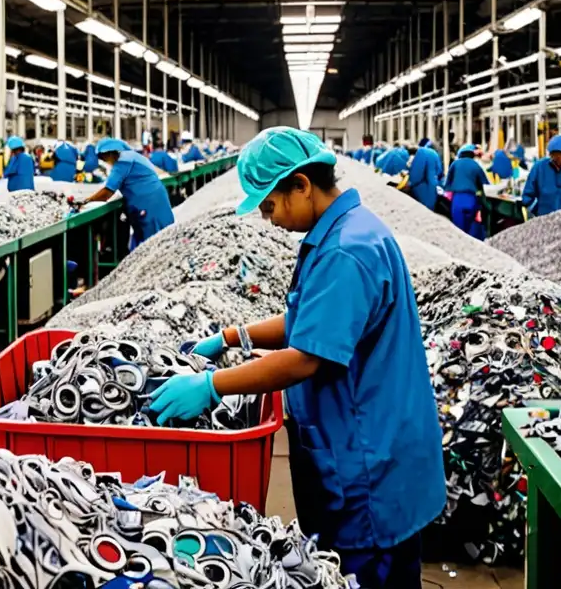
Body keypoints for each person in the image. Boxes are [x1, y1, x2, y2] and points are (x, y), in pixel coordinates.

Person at [148, 127, 444, 588]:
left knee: (365, 577)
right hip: (367, 441)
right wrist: (232, 335)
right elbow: (312, 319)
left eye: (269, 205)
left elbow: (306, 357)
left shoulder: (347, 251)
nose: (268, 219)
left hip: (368, 465)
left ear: (302, 186)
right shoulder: (344, 233)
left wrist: (211, 387)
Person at [83, 137, 175, 249]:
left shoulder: (123, 162)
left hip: (147, 203)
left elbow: (107, 193)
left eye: (103, 157)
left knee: (152, 242)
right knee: (160, 238)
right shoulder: (132, 156)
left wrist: (87, 200)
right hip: (156, 199)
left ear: (111, 153)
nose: (104, 160)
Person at [445, 144, 489, 238]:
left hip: (457, 199)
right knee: (470, 227)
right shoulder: (475, 165)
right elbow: (485, 184)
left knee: (458, 229)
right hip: (471, 199)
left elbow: (447, 183)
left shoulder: (455, 164)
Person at [406, 144, 441, 210]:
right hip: (433, 187)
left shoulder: (421, 152)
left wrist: (410, 183)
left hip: (422, 188)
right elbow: (439, 170)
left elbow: (416, 176)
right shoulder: (434, 154)